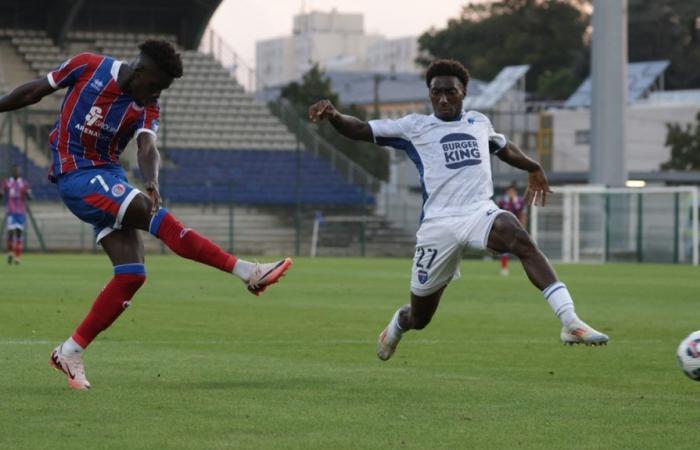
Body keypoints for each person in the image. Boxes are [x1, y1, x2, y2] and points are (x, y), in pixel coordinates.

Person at [0, 40, 292, 390]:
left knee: (132, 275)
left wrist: (151, 179)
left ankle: (69, 352)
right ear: (139, 71)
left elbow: (146, 146)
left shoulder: (147, 105)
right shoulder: (87, 66)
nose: (154, 94)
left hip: (108, 176)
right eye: (153, 86)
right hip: (75, 175)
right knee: (155, 216)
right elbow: (34, 91)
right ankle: (248, 271)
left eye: (161, 90)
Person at [308, 59, 608, 362]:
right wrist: (334, 115)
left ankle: (569, 320)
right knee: (421, 318)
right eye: (436, 92)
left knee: (519, 237)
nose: (442, 99)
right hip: (437, 226)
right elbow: (360, 129)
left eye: (450, 92)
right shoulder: (415, 127)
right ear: (429, 94)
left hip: (479, 212)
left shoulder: (478, 122)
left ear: (463, 92)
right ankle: (399, 323)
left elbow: (505, 148)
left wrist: (534, 166)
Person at [1, 165, 32, 264]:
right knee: (10, 231)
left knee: (18, 232)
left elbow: (30, 197)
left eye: (18, 171)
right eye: (15, 170)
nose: (16, 172)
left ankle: (17, 257)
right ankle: (10, 252)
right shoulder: (7, 182)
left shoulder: (23, 183)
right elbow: (1, 193)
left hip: (21, 211)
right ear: (12, 172)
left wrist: (28, 194)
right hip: (11, 211)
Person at [496, 182, 526, 276]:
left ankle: (526, 269)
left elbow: (523, 214)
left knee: (523, 249)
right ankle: (504, 269)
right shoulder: (502, 201)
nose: (511, 193)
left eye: (512, 191)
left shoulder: (520, 201)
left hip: (517, 228)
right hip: (505, 229)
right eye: (509, 191)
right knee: (504, 248)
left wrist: (522, 227)